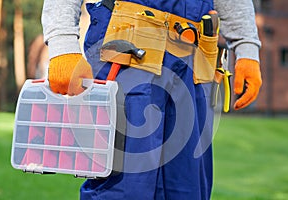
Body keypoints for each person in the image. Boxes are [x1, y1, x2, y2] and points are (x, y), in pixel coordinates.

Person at [41, 0, 262, 199]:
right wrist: (62, 45)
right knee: (124, 189)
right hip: (126, 53)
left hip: (194, 63)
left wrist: (246, 47)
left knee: (188, 188)